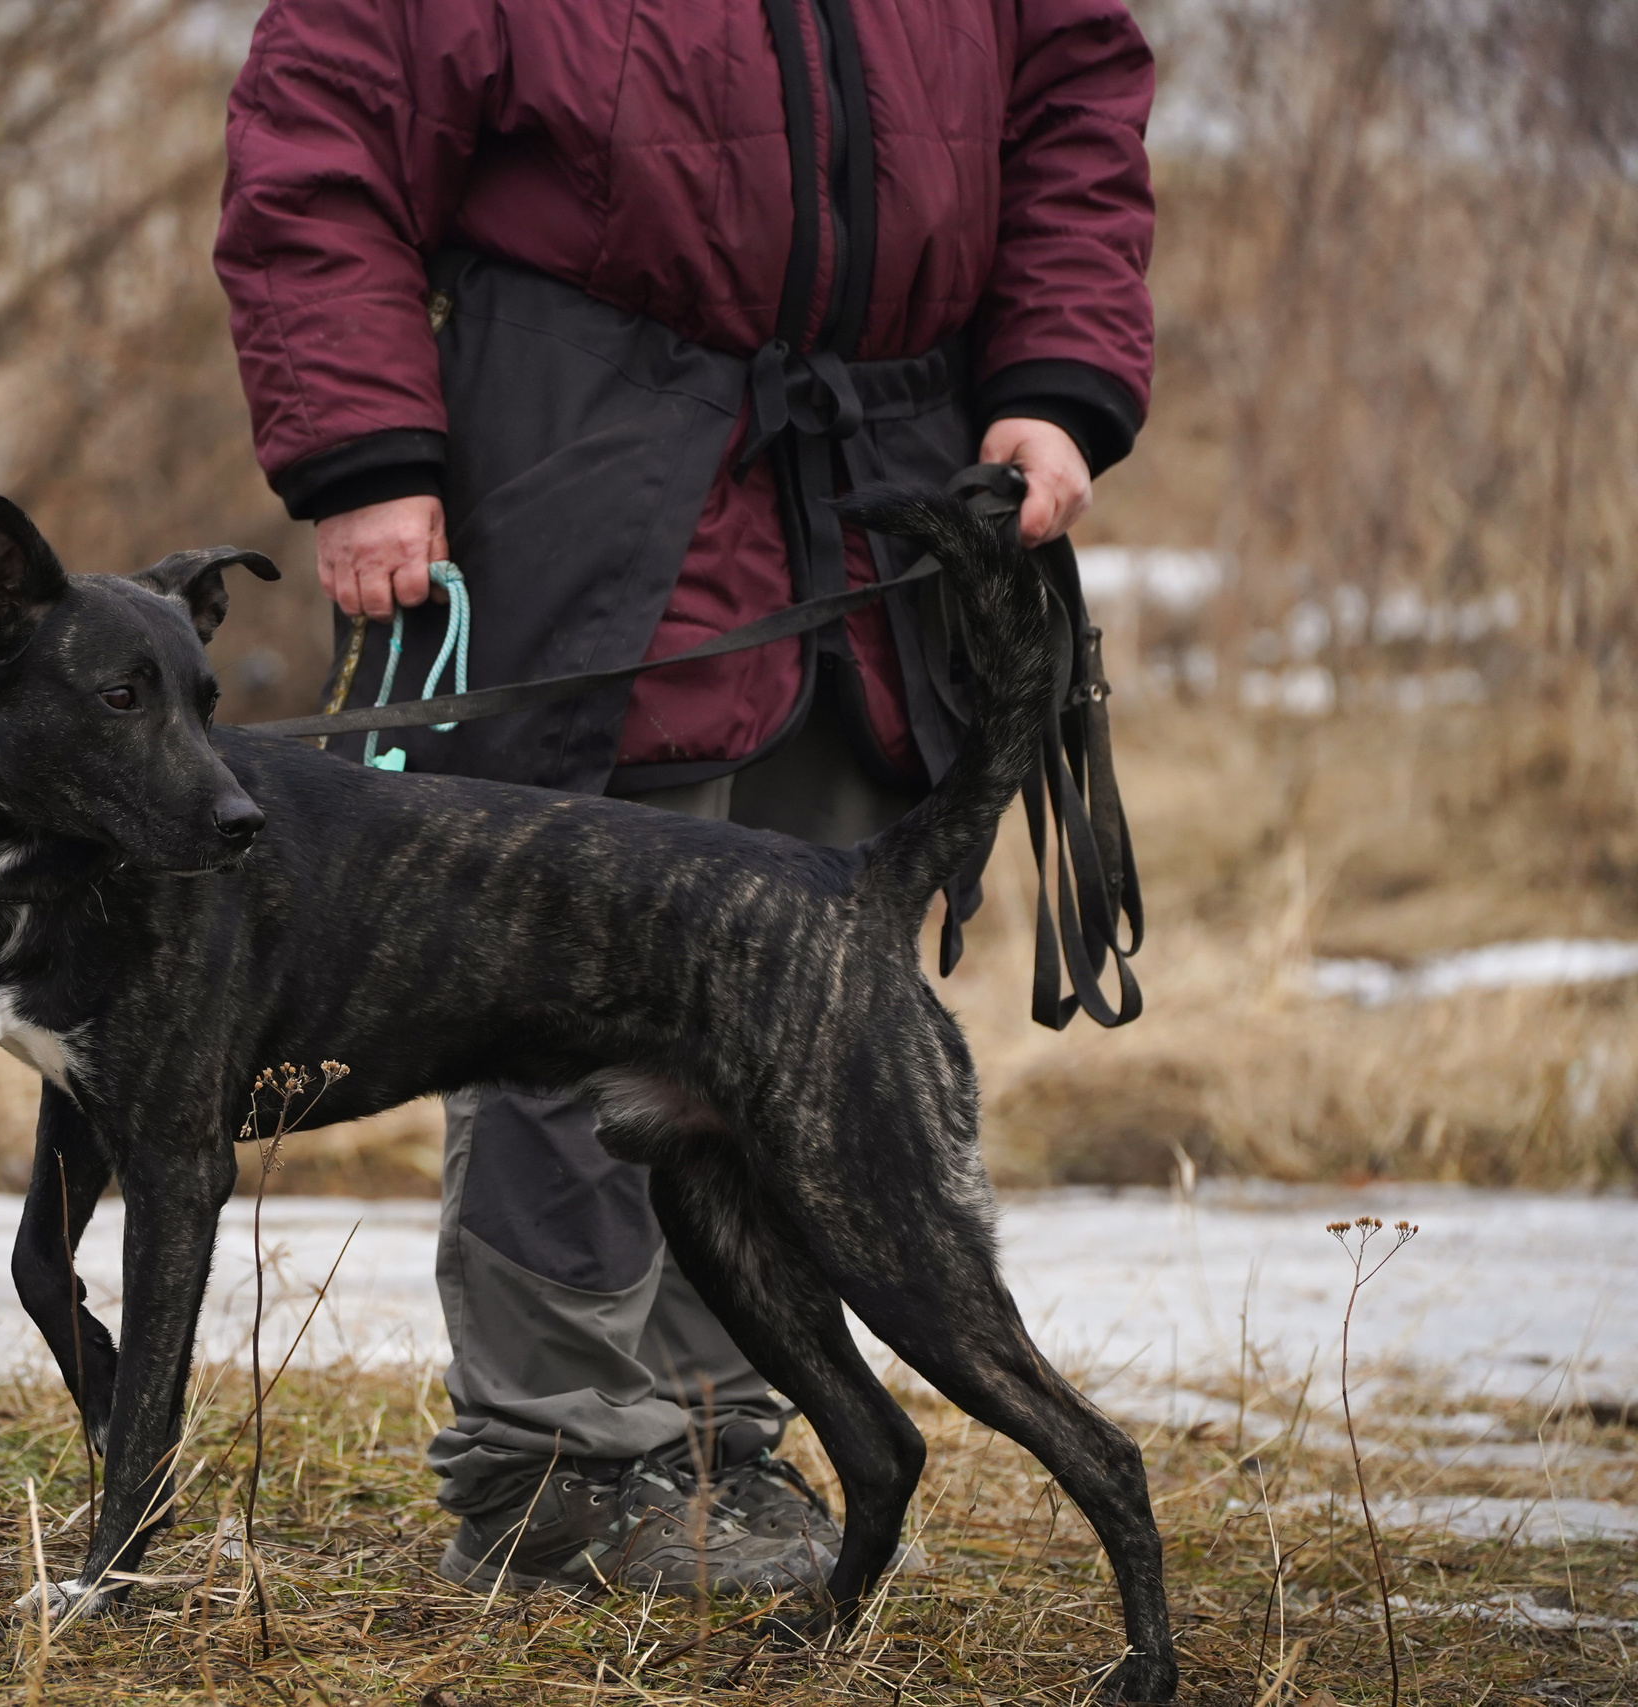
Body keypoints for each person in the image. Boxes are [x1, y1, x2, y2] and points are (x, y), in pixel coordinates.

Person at [216, 0, 1154, 1595]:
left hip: (886, 494)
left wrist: (1059, 379)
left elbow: (1075, 102)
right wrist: (365, 450)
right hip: (581, 462)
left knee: (791, 1033)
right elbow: (321, 143)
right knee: (557, 990)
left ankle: (731, 1457)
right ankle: (564, 1470)